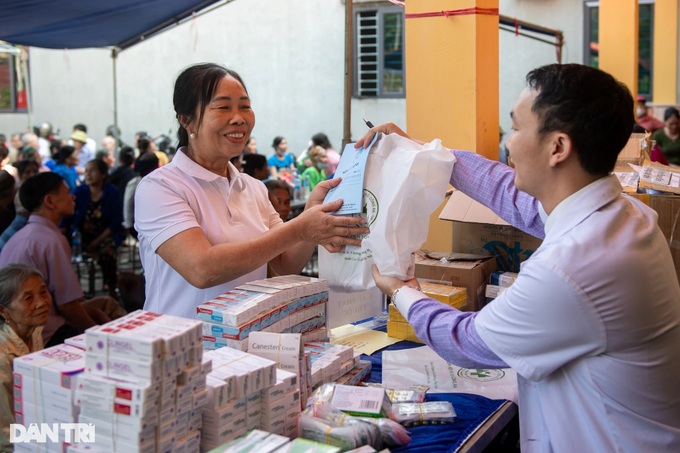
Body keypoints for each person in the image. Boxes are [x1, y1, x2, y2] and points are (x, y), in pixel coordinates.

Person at [358, 64, 680, 451]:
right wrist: (424, 155)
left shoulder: (570, 267)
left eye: (515, 128)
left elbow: (467, 341)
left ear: (557, 147)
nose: (508, 143)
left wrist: (401, 291)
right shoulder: (625, 214)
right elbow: (513, 199)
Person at [134, 63, 368, 319]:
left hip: (243, 346)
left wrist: (312, 214)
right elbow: (202, 268)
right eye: (223, 107)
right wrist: (301, 227)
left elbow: (285, 263)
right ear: (186, 119)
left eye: (245, 106)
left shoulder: (253, 188)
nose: (239, 118)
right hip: (178, 347)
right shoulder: (160, 187)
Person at [0, 172, 126, 347]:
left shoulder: (20, 236)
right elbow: (67, 306)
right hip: (45, 333)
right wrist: (99, 335)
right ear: (50, 201)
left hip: (17, 328)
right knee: (108, 314)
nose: (72, 196)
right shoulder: (51, 239)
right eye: (67, 193)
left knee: (105, 304)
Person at [0, 265, 51, 451]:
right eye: (28, 298)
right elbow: (5, 435)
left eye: (43, 292)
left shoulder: (34, 330)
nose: (41, 302)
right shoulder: (2, 356)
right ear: (4, 311)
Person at [66, 159, 124, 299]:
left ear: (103, 174)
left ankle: (111, 289)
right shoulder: (80, 192)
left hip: (105, 236)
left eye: (92, 171)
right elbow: (69, 215)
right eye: (86, 171)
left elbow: (115, 223)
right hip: (81, 236)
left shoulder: (112, 193)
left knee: (107, 253)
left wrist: (96, 243)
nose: (88, 174)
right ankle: (72, 293)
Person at [124, 152, 159, 239]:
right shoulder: (134, 184)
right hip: (139, 227)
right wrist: (129, 225)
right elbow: (128, 206)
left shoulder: (159, 182)